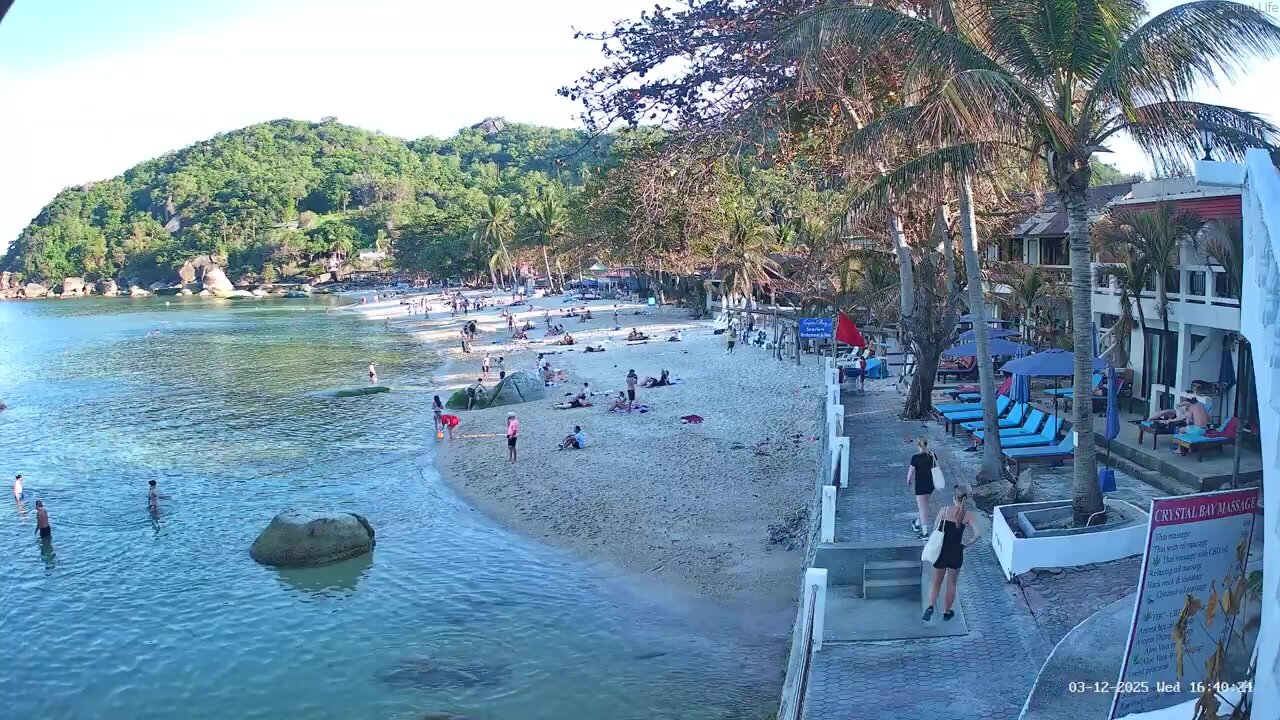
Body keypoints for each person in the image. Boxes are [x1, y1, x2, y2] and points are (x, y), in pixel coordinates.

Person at [923, 484, 981, 622]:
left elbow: (936, 527)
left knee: (936, 583)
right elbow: (978, 534)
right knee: (952, 584)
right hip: (956, 552)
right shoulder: (968, 516)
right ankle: (946, 611)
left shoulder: (944, 510)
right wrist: (966, 545)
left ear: (954, 498)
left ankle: (930, 607)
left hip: (941, 551)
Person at [906, 437, 936, 537]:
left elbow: (910, 473)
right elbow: (937, 468)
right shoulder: (932, 455)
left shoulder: (915, 458)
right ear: (926, 444)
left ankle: (925, 533)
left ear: (918, 445)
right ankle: (917, 523)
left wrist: (909, 481)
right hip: (931, 484)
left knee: (923, 509)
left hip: (920, 486)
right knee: (924, 506)